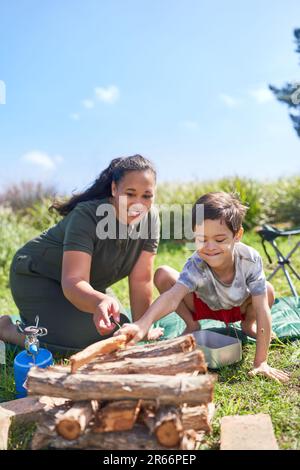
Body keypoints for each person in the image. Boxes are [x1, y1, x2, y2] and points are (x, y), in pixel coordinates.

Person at [116, 192, 290, 383]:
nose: (209, 247)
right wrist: (142, 324)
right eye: (201, 239)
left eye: (220, 239)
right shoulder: (197, 263)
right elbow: (173, 296)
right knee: (163, 273)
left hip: (238, 307)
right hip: (203, 305)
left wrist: (261, 362)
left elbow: (261, 307)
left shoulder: (250, 258)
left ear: (237, 235)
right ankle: (192, 325)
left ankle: (248, 326)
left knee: (268, 289)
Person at [0, 154, 162, 354]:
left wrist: (142, 326)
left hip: (87, 285)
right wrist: (99, 301)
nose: (138, 203)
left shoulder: (151, 218)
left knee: (121, 330)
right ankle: (7, 330)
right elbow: (73, 280)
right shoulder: (86, 215)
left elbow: (141, 279)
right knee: (88, 343)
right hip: (37, 276)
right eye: (130, 194)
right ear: (114, 189)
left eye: (146, 196)